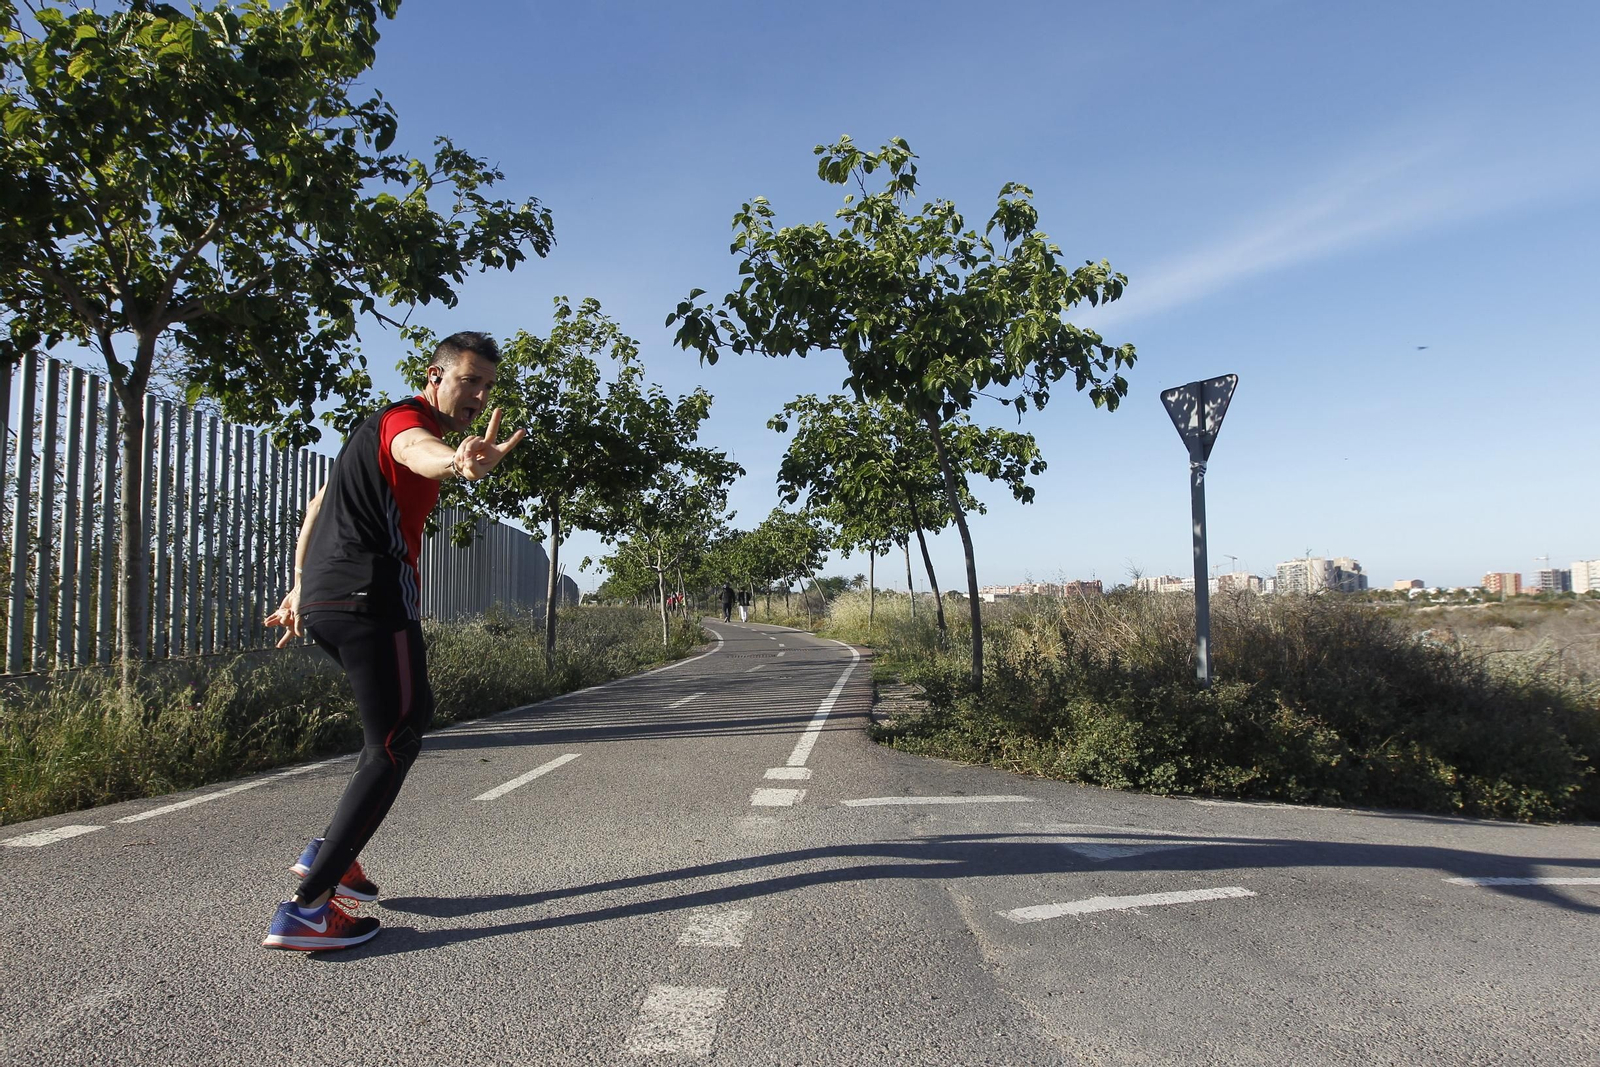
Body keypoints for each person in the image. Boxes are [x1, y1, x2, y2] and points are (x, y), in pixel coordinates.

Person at [260, 331, 524, 951]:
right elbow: (419, 451)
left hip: (329, 601)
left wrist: (300, 588)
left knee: (397, 729)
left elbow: (316, 507)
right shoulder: (404, 422)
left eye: (488, 385)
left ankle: (331, 855)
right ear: (435, 378)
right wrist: (457, 461)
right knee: (396, 740)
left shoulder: (368, 430)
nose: (480, 394)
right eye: (469, 381)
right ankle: (308, 908)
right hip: (372, 598)